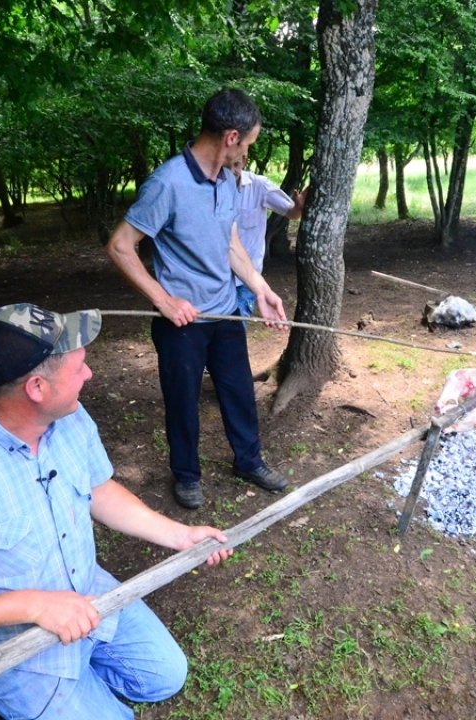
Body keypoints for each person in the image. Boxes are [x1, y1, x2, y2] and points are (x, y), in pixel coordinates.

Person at [0, 303, 233, 720]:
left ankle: (80, 683)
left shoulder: (70, 417)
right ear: (36, 388)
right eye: (79, 366)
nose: (89, 375)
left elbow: (99, 490)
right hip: (15, 647)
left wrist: (178, 535)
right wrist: (35, 606)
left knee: (163, 676)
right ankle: (13, 692)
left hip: (89, 593)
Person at [106, 88, 289, 510]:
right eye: (246, 144)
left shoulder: (226, 182)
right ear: (230, 137)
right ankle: (186, 475)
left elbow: (230, 244)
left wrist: (261, 289)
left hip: (224, 315)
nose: (246, 154)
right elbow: (120, 246)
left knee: (239, 391)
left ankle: (249, 461)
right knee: (182, 401)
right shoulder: (167, 183)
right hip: (181, 324)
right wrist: (165, 301)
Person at [229, 154, 306, 320]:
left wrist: (298, 208)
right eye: (226, 166)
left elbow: (290, 212)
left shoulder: (259, 186)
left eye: (235, 165)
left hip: (246, 281)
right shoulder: (211, 188)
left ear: (243, 160)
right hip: (216, 279)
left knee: (235, 330)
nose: (231, 171)